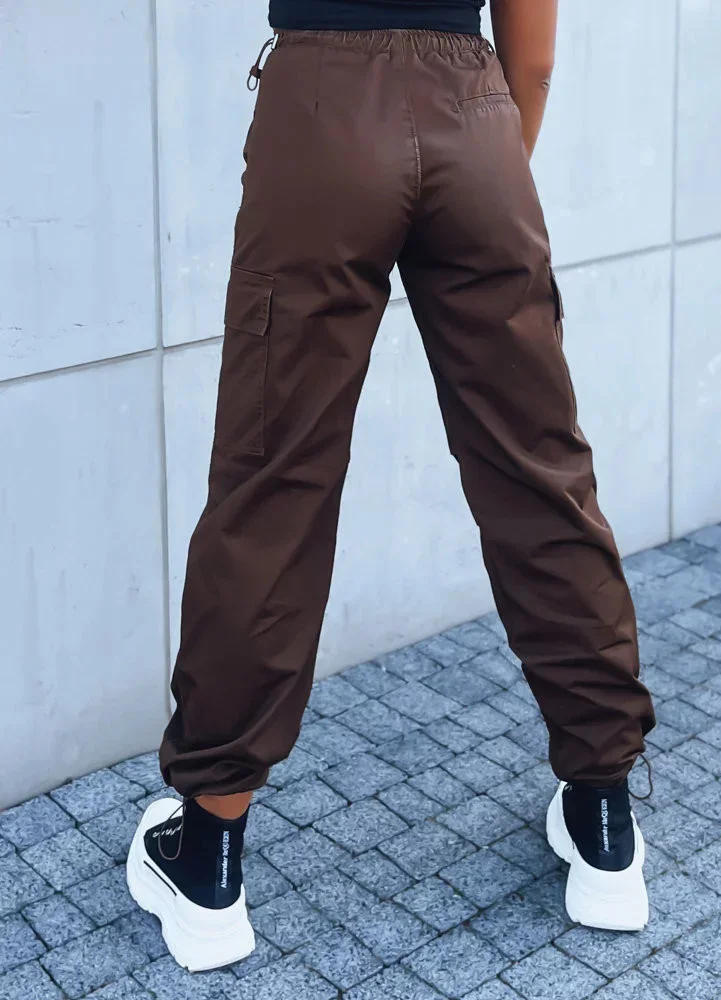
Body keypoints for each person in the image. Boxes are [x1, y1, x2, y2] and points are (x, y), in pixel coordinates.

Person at [126, 0, 657, 971]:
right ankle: (605, 823)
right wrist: (484, 157)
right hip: (476, 117)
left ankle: (207, 861)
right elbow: (534, 57)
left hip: (321, 108)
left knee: (274, 480)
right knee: (538, 471)